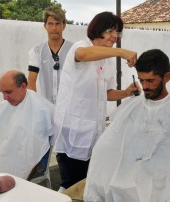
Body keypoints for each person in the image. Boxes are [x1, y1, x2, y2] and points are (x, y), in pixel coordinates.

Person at [84, 49, 170, 202]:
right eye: (141, 80)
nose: (144, 86)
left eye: (150, 81)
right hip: (131, 178)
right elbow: (110, 144)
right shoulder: (132, 108)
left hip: (166, 182)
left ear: (166, 77)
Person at [52, 11, 140, 192]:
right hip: (73, 130)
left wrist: (126, 92)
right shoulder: (81, 47)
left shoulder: (106, 60)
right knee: (71, 185)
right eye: (110, 31)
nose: (115, 36)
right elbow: (84, 55)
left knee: (89, 183)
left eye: (118, 33)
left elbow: (106, 93)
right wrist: (121, 52)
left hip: (94, 130)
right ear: (97, 29)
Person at [0, 70, 54, 179]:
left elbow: (33, 149)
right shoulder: (7, 104)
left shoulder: (42, 110)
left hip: (32, 162)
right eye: (2, 92)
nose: (4, 98)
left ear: (23, 86)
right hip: (9, 151)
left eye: (8, 92)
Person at [27, 6, 73, 104]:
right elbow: (31, 82)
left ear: (64, 25)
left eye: (58, 24)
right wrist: (33, 105)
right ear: (45, 26)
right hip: (46, 106)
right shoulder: (36, 51)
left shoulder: (73, 49)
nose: (54, 28)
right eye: (50, 24)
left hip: (69, 108)